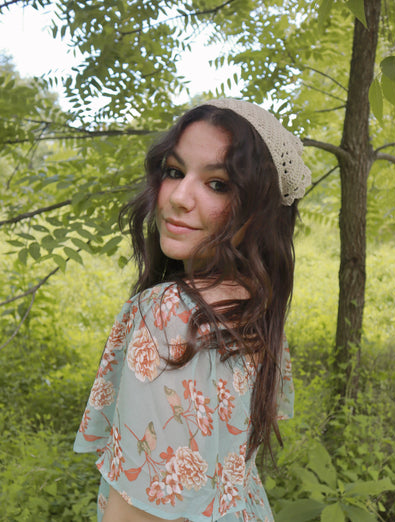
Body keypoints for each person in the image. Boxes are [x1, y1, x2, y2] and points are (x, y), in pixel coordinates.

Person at [74, 98, 311, 521]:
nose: (180, 197)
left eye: (218, 183)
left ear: (257, 211)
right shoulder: (252, 306)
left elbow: (136, 512)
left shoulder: (167, 313)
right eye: (175, 172)